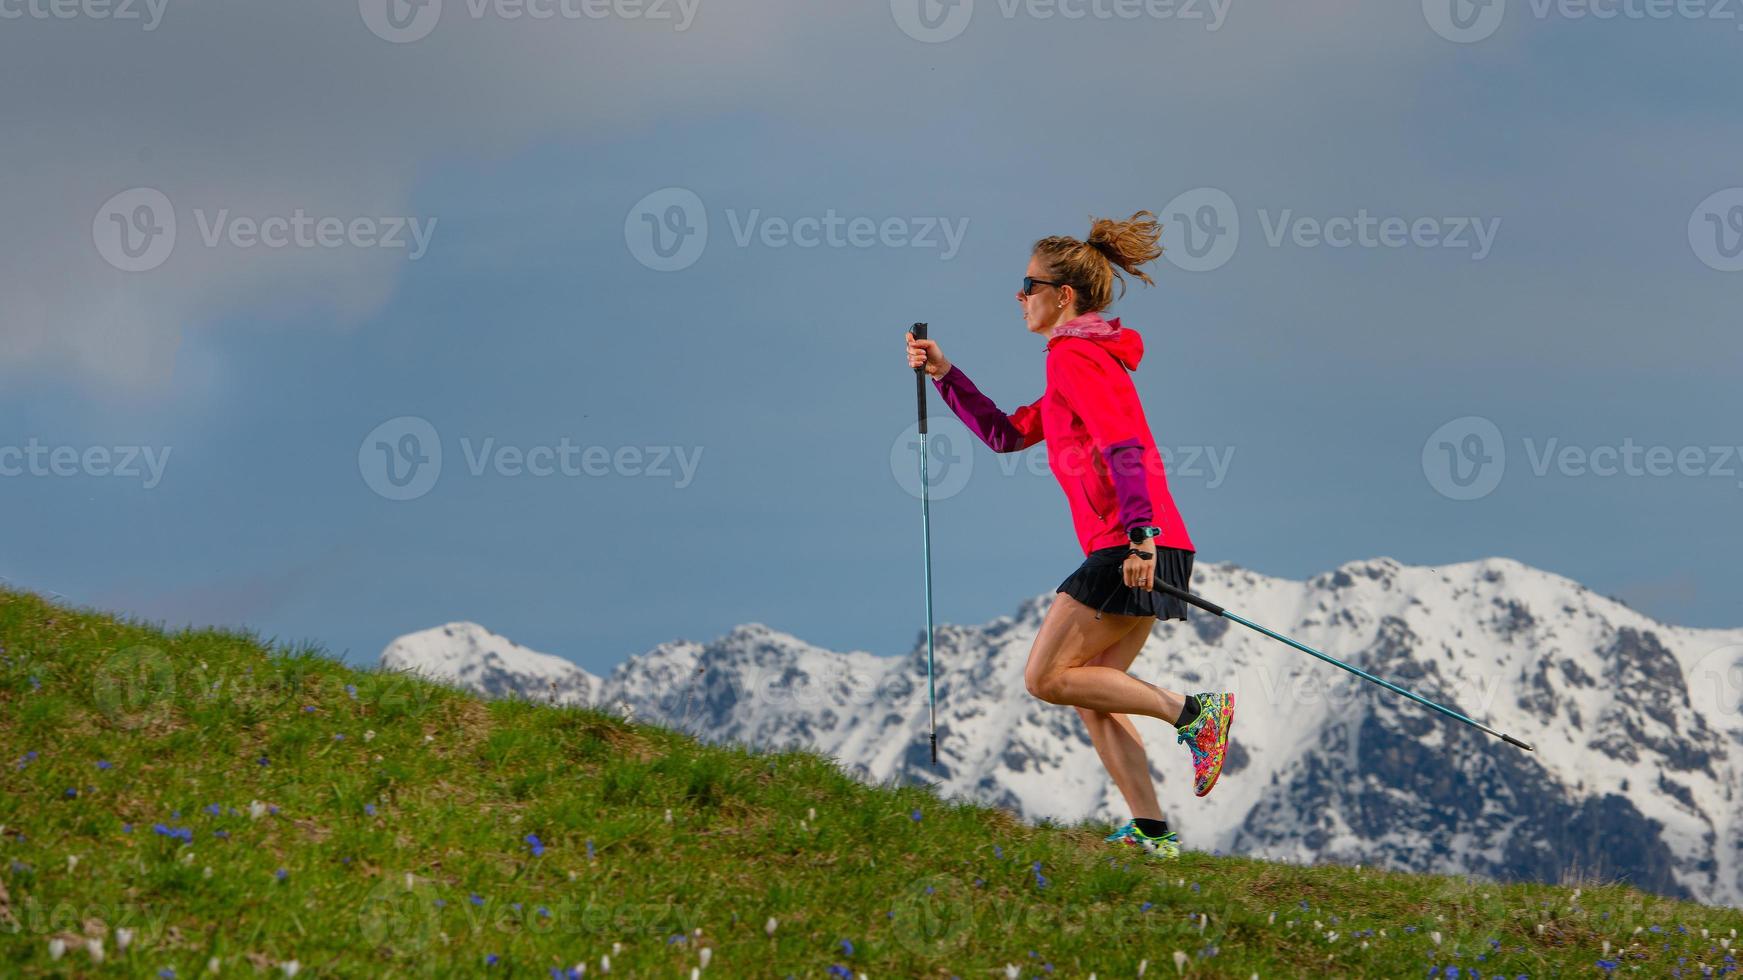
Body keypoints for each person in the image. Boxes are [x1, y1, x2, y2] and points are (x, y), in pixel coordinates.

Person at [903, 210, 1234, 861]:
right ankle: (1151, 831)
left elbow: (1125, 446)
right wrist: (945, 374)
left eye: (1026, 284)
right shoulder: (1072, 365)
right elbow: (1004, 434)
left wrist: (1140, 537)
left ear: (1063, 296)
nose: (1018, 296)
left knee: (1045, 678)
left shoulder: (1076, 358)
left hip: (1130, 545)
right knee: (1089, 693)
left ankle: (1195, 716)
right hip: (1141, 542)